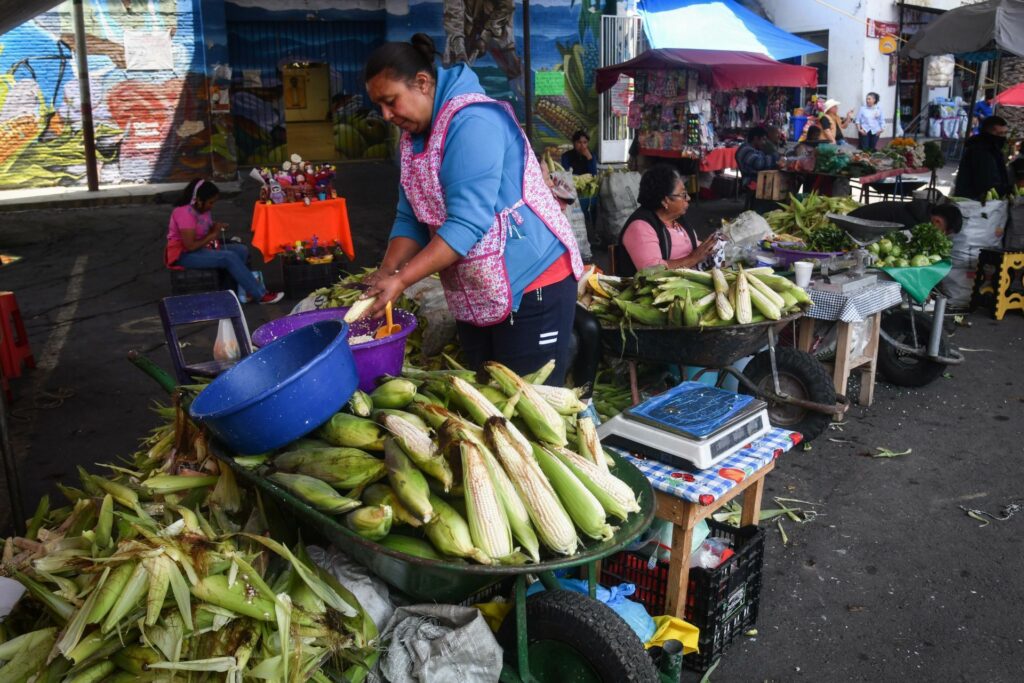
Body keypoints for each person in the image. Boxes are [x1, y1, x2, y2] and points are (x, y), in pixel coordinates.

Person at [360, 34, 583, 386]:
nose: (386, 115)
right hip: (480, 290)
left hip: (533, 284)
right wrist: (386, 272)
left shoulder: (473, 122)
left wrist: (402, 280)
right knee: (488, 402)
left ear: (422, 83)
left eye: (391, 102)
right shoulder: (414, 136)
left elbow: (465, 224)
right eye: (380, 108)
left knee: (529, 408)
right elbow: (411, 217)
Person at [165, 179, 283, 304]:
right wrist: (212, 236)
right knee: (228, 257)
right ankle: (261, 294)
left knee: (241, 250)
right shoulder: (185, 213)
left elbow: (201, 228)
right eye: (210, 202)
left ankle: (228, 293)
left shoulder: (202, 209)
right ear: (199, 200)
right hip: (184, 255)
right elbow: (190, 246)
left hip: (201, 248)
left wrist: (216, 226)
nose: (212, 206)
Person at [615, 164, 717, 276]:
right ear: (665, 201)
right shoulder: (640, 227)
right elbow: (651, 272)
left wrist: (711, 247)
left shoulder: (676, 218)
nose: (688, 198)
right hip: (655, 290)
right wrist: (693, 258)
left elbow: (692, 246)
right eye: (683, 194)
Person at [953, 115, 1011, 200]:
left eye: (1005, 133)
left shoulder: (993, 150)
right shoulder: (980, 151)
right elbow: (985, 182)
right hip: (974, 202)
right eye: (999, 133)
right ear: (988, 133)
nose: (1003, 137)